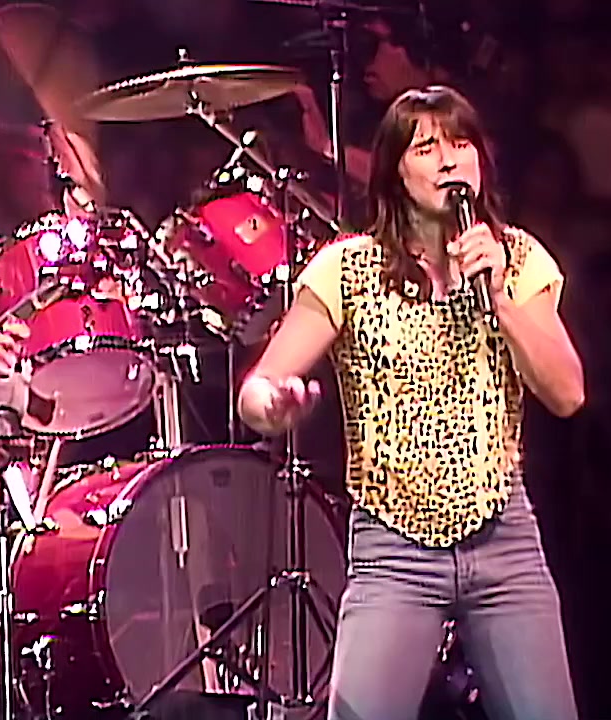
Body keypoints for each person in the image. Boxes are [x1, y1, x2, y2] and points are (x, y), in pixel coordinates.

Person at [237, 86, 585, 720]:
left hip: (504, 539)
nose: (448, 159)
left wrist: (500, 295)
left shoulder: (518, 259)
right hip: (394, 552)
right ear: (395, 171)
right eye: (426, 147)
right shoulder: (348, 269)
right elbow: (257, 391)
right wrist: (274, 404)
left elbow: (567, 393)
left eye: (460, 143)